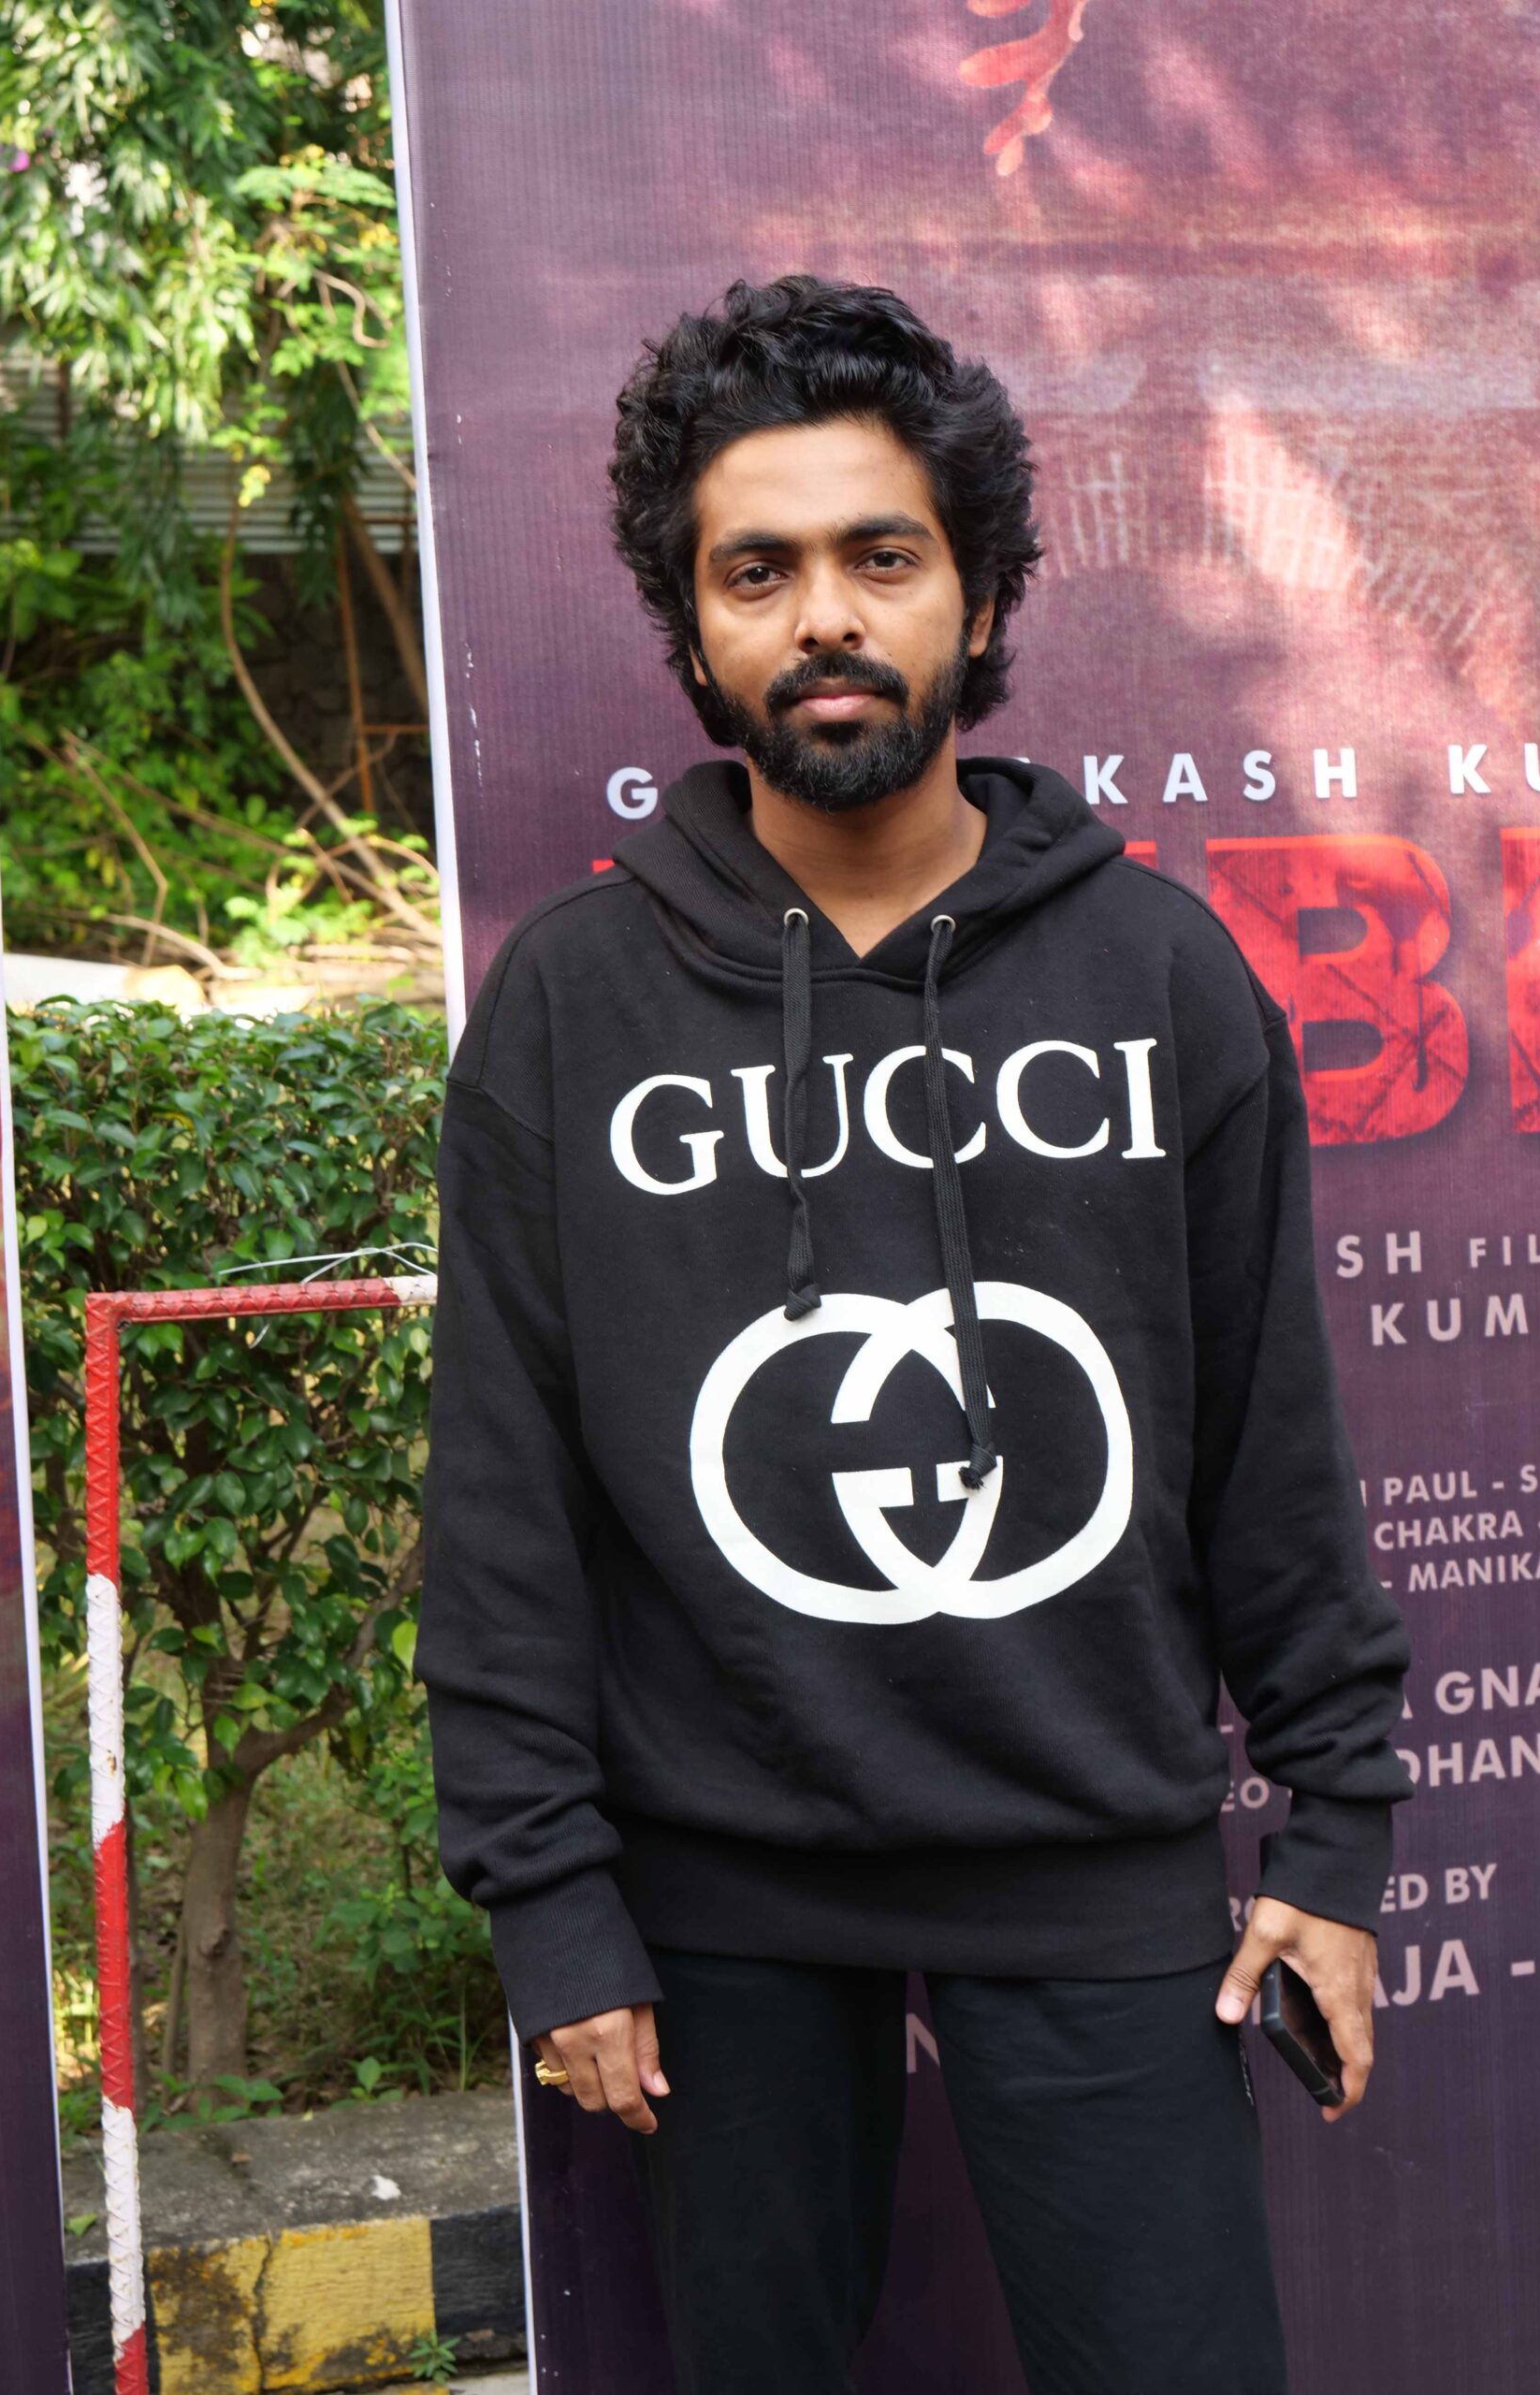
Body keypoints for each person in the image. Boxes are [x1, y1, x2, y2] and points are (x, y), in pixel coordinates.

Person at [418, 272, 1413, 2394]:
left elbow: (1270, 1434)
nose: (825, 619)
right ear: (694, 626)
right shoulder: (574, 1004)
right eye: (757, 571)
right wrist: (550, 1899)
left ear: (976, 589)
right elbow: (502, 1490)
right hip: (716, 1898)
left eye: (882, 557)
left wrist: (1335, 1834)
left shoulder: (1159, 973)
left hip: (1094, 1849)